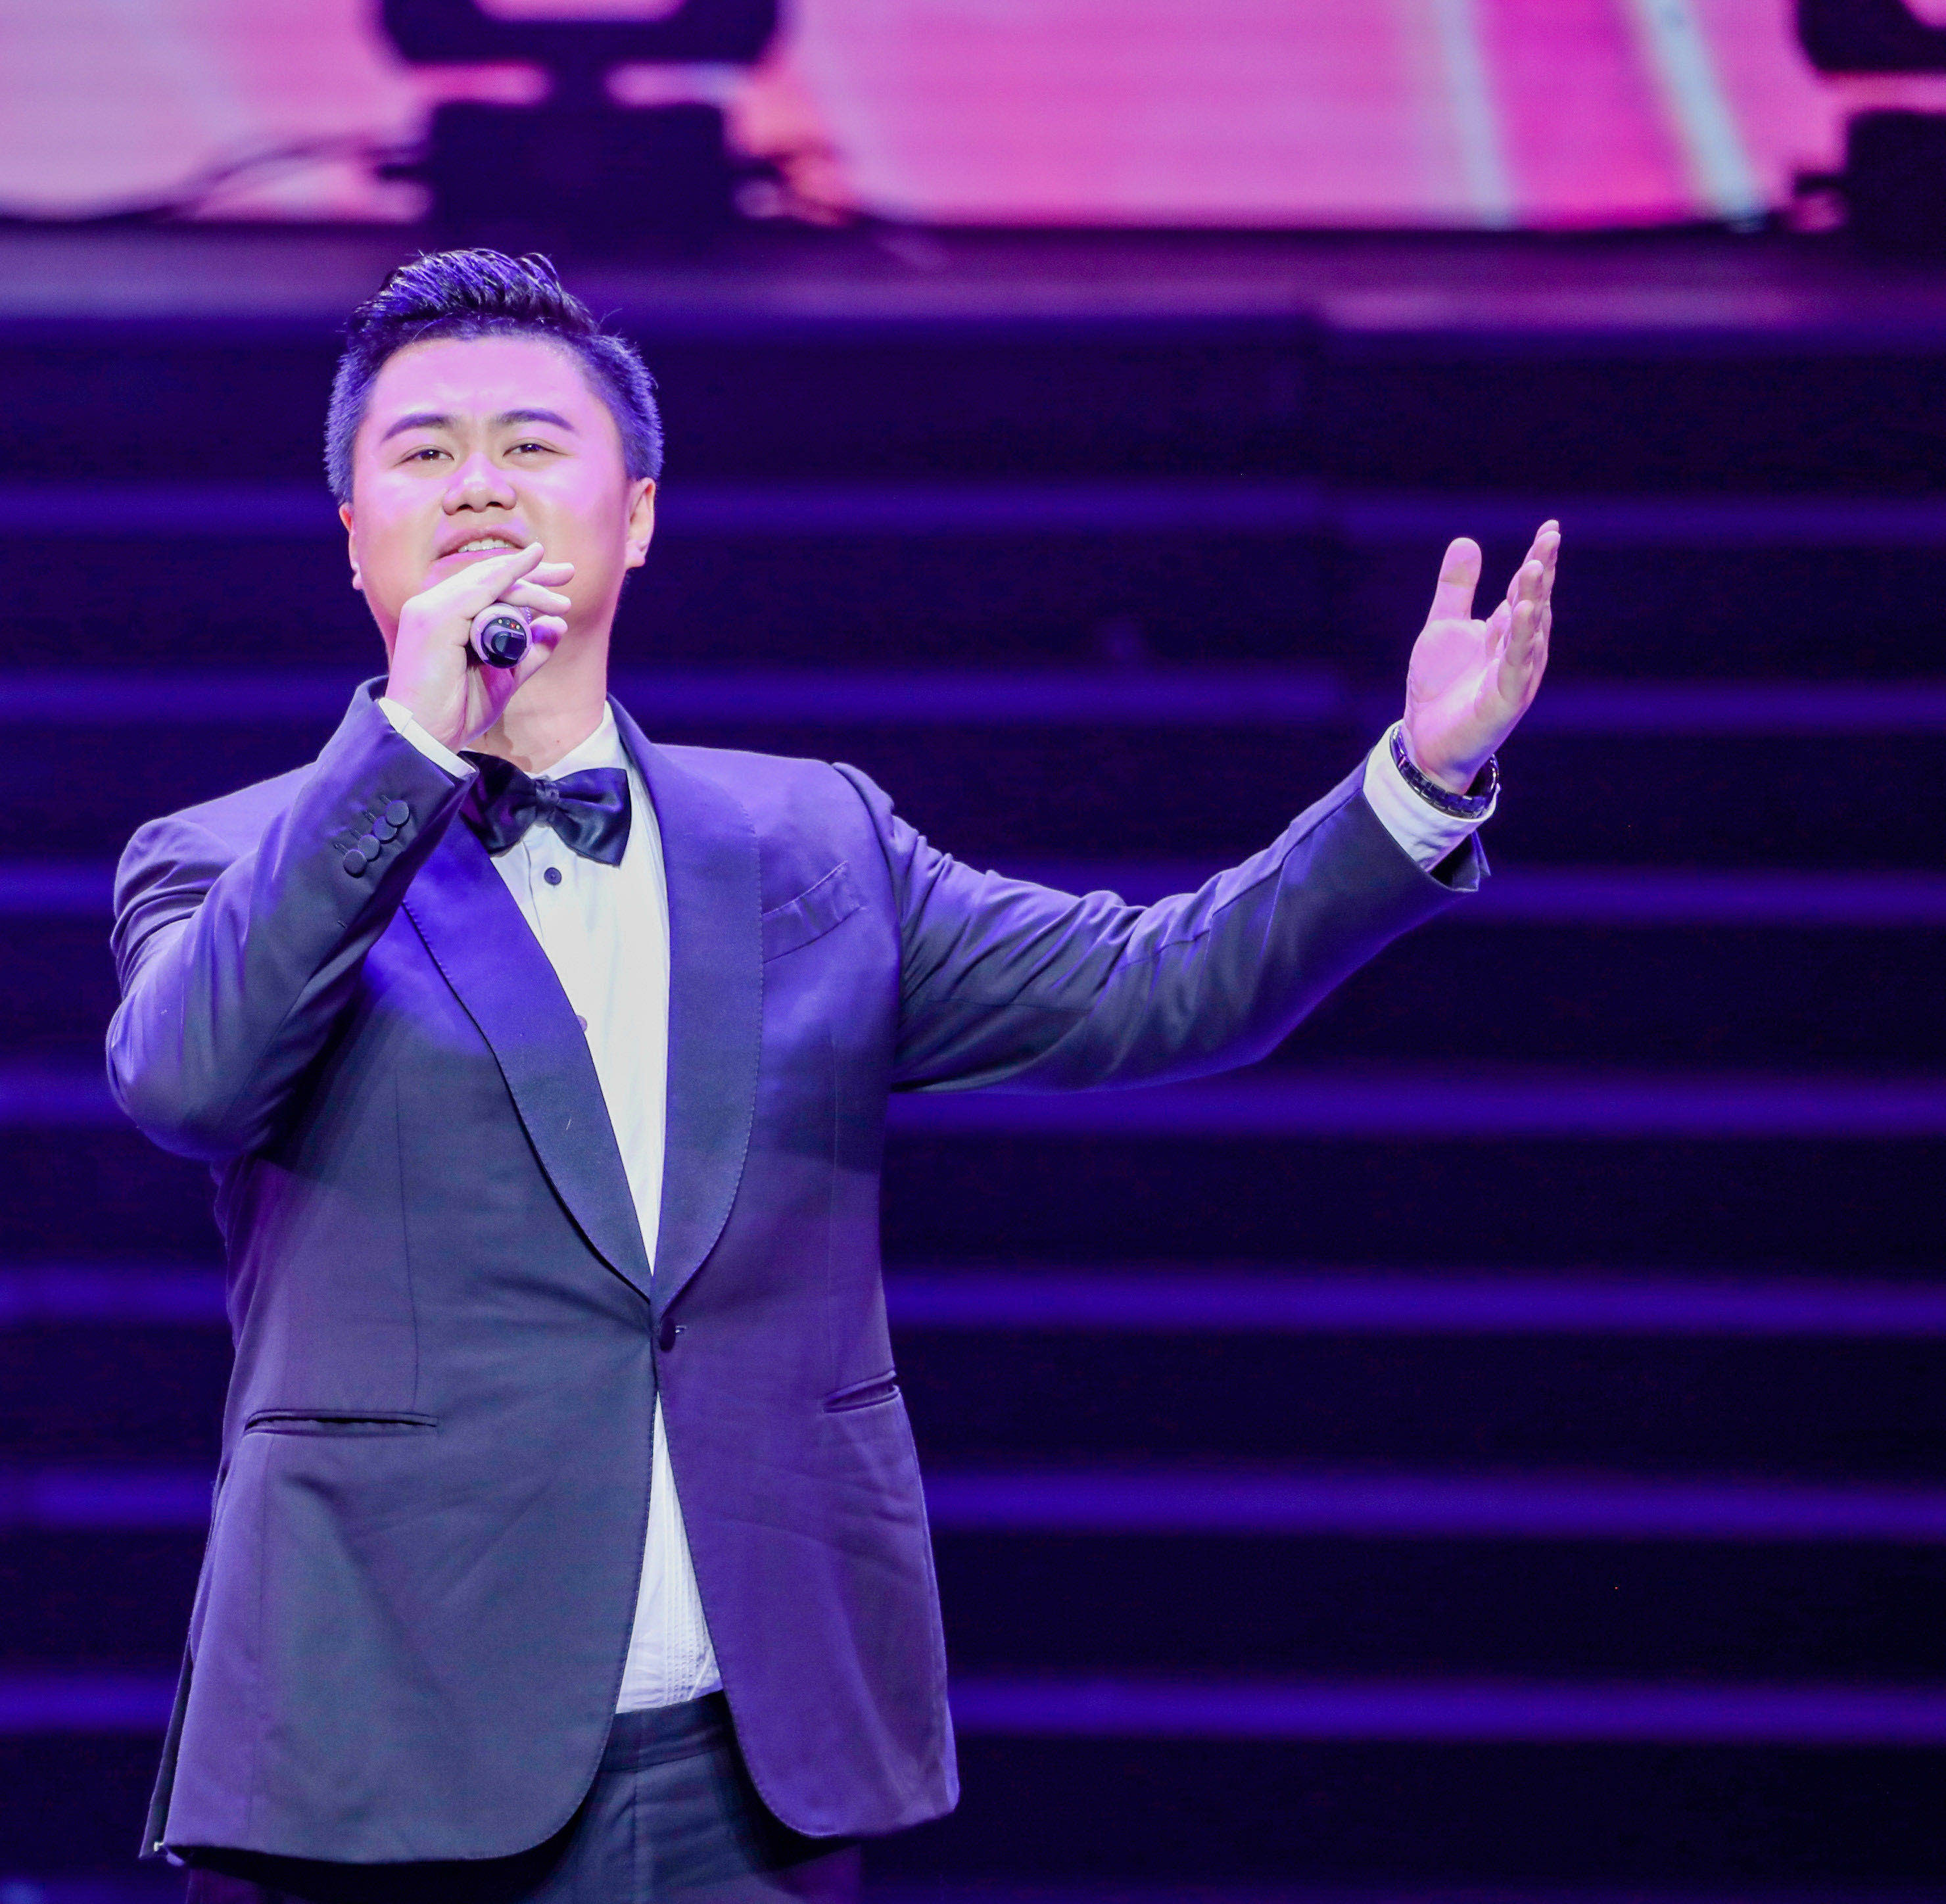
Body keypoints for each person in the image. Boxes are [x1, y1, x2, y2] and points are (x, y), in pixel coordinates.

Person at [107, 250, 1555, 1904]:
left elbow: (1159, 988)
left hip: (750, 1770)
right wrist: (410, 753)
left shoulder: (812, 842)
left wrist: (1417, 783)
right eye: (425, 452)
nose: (483, 485)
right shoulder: (230, 861)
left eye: (533, 443)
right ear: (355, 534)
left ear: (639, 517)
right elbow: (187, 1084)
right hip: (377, 1760)